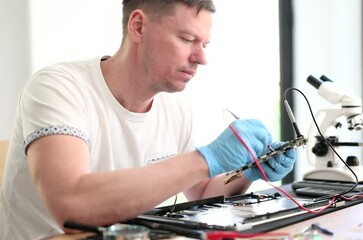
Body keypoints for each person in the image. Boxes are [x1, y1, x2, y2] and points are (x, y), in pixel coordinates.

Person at [0, 0, 296, 239]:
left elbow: (203, 192)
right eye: (187, 39)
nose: (201, 58)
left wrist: (247, 171)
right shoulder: (58, 88)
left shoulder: (175, 107)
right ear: (138, 26)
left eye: (204, 44)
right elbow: (73, 209)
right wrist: (206, 158)